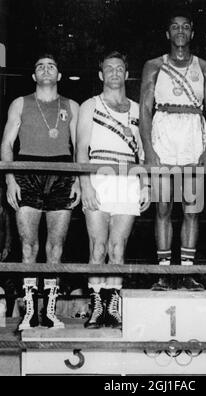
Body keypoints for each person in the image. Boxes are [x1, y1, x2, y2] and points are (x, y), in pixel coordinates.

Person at [139, 9, 206, 290]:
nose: (181, 31)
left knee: (191, 208)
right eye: (175, 27)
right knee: (162, 206)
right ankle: (163, 272)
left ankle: (186, 271)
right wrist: (149, 149)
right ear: (168, 33)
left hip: (192, 136)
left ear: (193, 32)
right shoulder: (153, 65)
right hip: (163, 132)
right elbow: (145, 110)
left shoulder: (205, 67)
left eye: (186, 27)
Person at [1, 53, 80, 330]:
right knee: (28, 246)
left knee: (55, 247)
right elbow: (7, 143)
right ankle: (30, 311)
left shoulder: (72, 106)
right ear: (34, 76)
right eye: (40, 66)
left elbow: (79, 147)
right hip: (27, 171)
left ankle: (50, 312)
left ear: (59, 76)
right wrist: (10, 178)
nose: (46, 69)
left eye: (52, 66)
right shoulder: (20, 103)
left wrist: (79, 180)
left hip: (62, 173)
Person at [77, 51, 148, 329]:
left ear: (127, 74)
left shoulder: (137, 108)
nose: (115, 73)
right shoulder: (89, 105)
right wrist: (85, 184)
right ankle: (96, 306)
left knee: (118, 248)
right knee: (98, 247)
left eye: (120, 68)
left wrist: (146, 185)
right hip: (98, 175)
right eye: (109, 68)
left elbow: (143, 153)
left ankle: (113, 305)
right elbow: (81, 150)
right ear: (101, 74)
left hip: (128, 177)